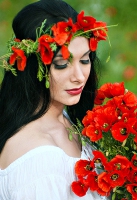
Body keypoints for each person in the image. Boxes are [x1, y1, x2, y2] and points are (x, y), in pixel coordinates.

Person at [0, 0, 108, 199]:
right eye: (62, 64)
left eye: (85, 60)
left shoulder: (63, 115)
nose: (79, 76)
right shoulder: (38, 164)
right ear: (33, 67)